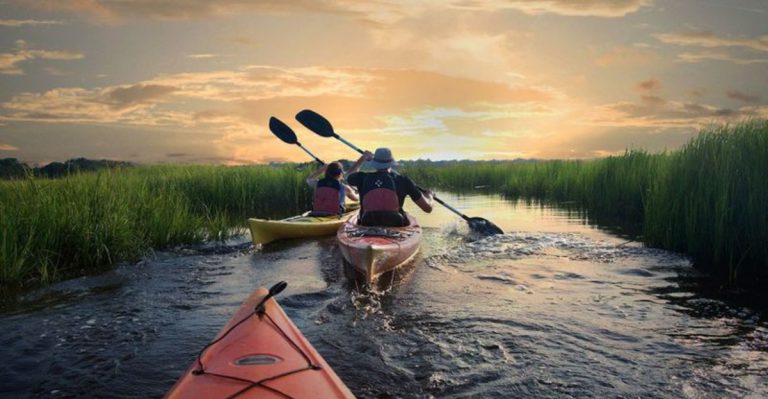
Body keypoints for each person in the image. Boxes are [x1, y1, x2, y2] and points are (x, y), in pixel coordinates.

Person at [346, 147, 433, 227]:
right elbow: (427, 208)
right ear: (391, 163)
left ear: (374, 163)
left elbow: (348, 176)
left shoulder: (362, 177)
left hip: (367, 224)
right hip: (396, 225)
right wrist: (430, 196)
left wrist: (362, 159)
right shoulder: (404, 180)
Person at [305, 152, 370, 216]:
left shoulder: (318, 184)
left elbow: (309, 179)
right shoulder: (344, 188)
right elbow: (356, 199)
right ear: (340, 174)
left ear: (326, 172)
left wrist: (323, 169)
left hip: (317, 212)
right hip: (334, 214)